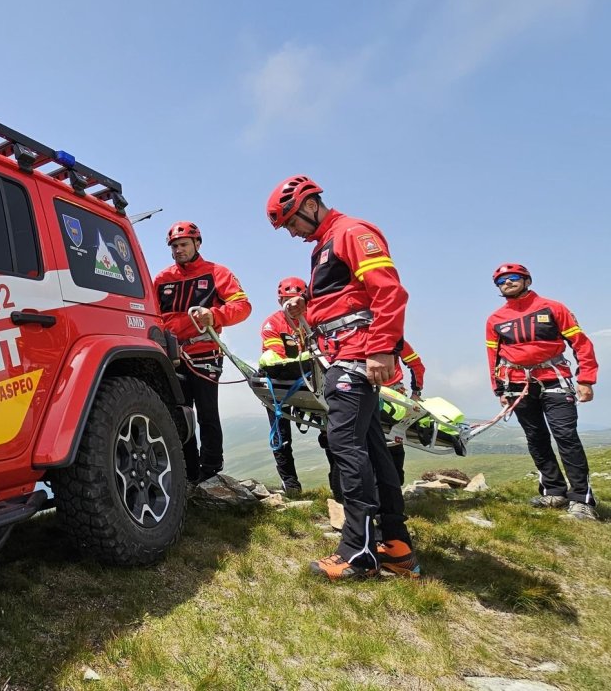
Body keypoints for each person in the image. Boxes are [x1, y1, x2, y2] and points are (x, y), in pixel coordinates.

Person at [266, 175, 417, 580]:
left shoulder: (352, 232)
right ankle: (396, 546)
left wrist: (382, 348)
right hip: (345, 355)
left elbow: (388, 291)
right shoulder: (325, 246)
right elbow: (346, 294)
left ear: (310, 205)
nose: (293, 233)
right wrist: (307, 302)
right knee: (372, 446)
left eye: (292, 223)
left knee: (345, 446)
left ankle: (358, 552)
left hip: (353, 357)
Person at [485, 263, 600, 520]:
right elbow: (493, 356)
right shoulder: (495, 320)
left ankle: (582, 499)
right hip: (516, 384)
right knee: (535, 437)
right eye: (501, 281)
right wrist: (499, 389)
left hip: (554, 379)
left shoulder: (554, 308)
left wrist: (586, 379)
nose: (507, 283)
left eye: (513, 278)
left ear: (527, 280)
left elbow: (581, 343)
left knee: (566, 436)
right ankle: (554, 491)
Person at [154, 221, 252, 484]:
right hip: (171, 355)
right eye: (174, 246)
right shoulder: (162, 279)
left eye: (183, 244)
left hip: (204, 352)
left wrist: (215, 314)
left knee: (207, 412)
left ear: (198, 244)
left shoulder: (217, 273)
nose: (178, 250)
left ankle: (211, 469)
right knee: (179, 412)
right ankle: (187, 471)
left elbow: (243, 306)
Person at [259, 276, 310, 495]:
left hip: (310, 381)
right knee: (281, 435)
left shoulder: (314, 320)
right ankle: (291, 484)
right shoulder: (272, 323)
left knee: (331, 434)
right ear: (280, 300)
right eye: (287, 300)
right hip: (279, 384)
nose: (291, 305)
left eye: (295, 299)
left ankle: (339, 483)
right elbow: (278, 356)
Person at [381, 338, 426, 483]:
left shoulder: (342, 335)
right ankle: (393, 491)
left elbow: (416, 365)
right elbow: (417, 366)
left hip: (387, 398)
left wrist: (416, 393)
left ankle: (341, 495)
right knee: (392, 441)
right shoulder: (392, 337)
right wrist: (416, 392)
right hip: (390, 397)